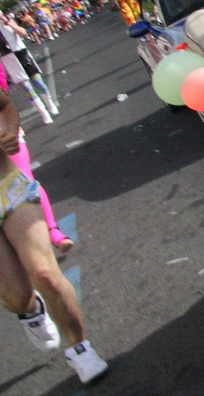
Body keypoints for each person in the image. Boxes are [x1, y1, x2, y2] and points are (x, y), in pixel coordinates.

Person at [0, 86, 108, 384]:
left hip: (7, 184)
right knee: (16, 299)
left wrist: (10, 131)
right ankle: (31, 309)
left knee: (45, 273)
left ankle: (80, 349)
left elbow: (5, 105)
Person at [0, 43, 72, 253]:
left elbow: (5, 102)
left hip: (4, 135)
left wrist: (11, 132)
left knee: (25, 179)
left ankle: (52, 230)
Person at [0, 15, 59, 125]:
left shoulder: (8, 21)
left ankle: (49, 102)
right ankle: (43, 112)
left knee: (39, 83)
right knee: (27, 88)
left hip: (22, 54)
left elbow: (24, 33)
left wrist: (10, 24)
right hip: (9, 60)